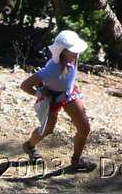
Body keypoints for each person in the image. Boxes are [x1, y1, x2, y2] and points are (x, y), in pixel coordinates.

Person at [20, 30, 96, 171]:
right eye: (73, 51)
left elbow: (69, 75)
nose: (77, 54)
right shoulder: (51, 70)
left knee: (84, 128)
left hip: (69, 94)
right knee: (47, 130)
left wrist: (70, 84)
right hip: (51, 99)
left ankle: (76, 161)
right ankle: (29, 146)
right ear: (62, 51)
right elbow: (25, 85)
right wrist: (39, 94)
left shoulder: (73, 58)